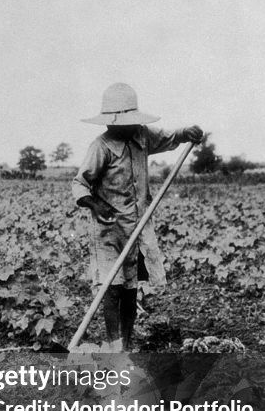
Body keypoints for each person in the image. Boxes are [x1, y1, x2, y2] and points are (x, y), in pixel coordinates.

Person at [72, 83, 204, 351]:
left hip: (137, 227)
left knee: (131, 287)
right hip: (108, 228)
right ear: (111, 122)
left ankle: (127, 344)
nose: (131, 125)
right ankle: (114, 345)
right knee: (112, 287)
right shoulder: (101, 146)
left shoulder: (141, 135)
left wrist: (186, 133)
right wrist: (96, 205)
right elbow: (79, 184)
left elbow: (170, 138)